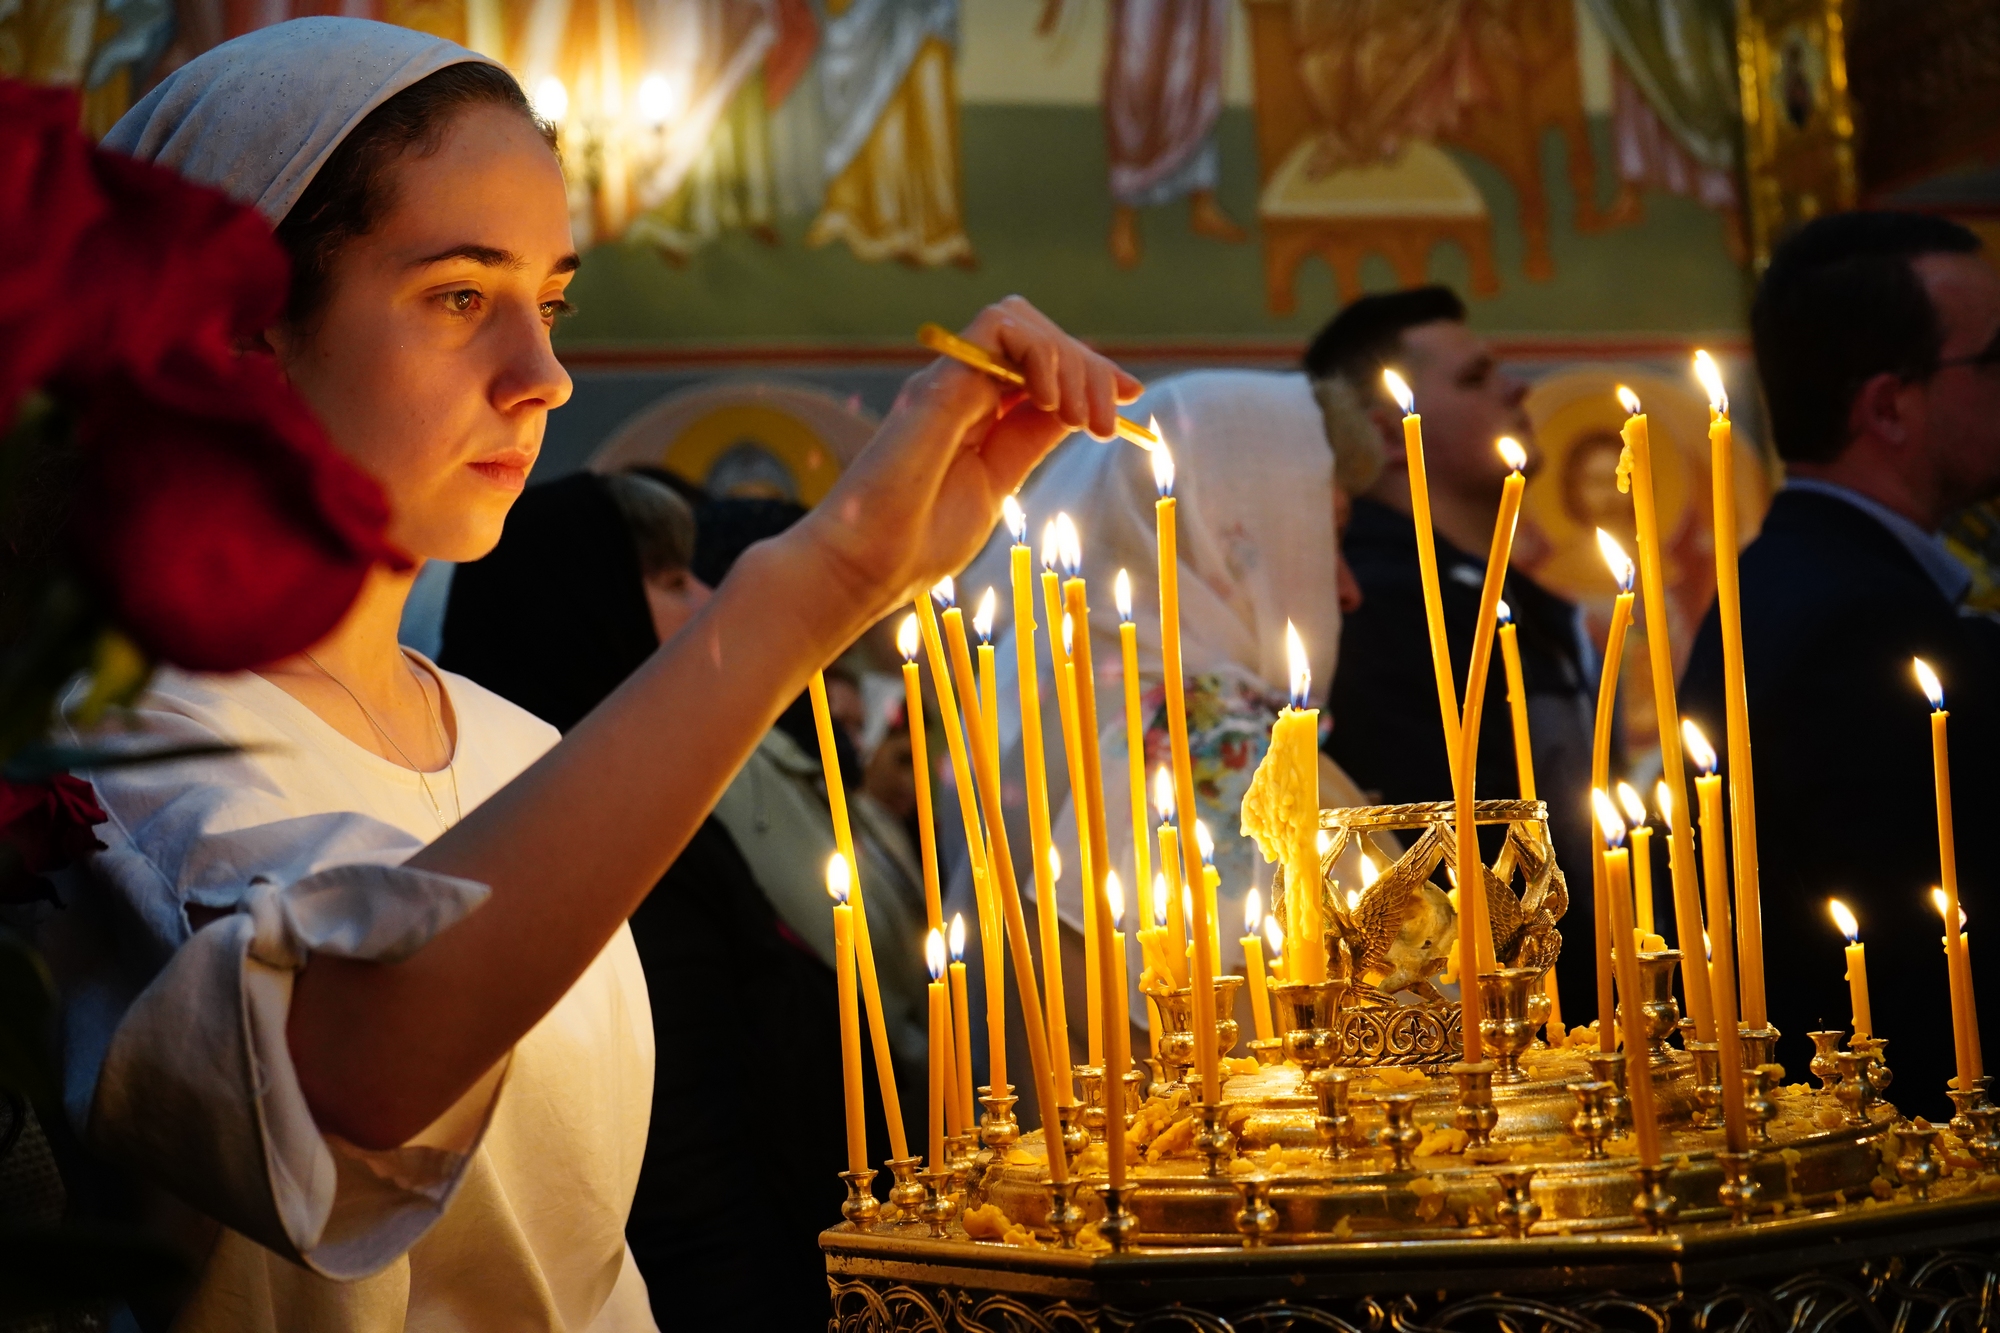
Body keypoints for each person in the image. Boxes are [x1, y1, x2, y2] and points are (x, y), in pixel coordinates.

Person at [50, 18, 1139, 1329]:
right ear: (239, 325)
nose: (546, 376)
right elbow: (349, 1072)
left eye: (551, 302)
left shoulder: (515, 748)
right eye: (460, 296)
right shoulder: (121, 752)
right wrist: (813, 590)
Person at [438, 473, 910, 1329]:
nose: (703, 601)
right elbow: (689, 1172)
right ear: (582, 609)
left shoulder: (666, 817)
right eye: (667, 580)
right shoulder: (590, 844)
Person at [955, 368, 1372, 1085]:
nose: (1347, 589)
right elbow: (1288, 1073)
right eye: (1323, 536)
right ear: (1226, 538)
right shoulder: (1222, 761)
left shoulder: (1089, 716)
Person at [1680, 212, 2000, 1104]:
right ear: (1890, 405)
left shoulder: (1800, 573)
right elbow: (1928, 955)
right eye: (1993, 357)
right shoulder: (1854, 621)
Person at [1312, 287, 1599, 1010]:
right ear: (1385, 432)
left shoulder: (1503, 593)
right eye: (1473, 379)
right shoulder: (1374, 599)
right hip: (1489, 1020)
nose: (1516, 389)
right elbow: (1428, 849)